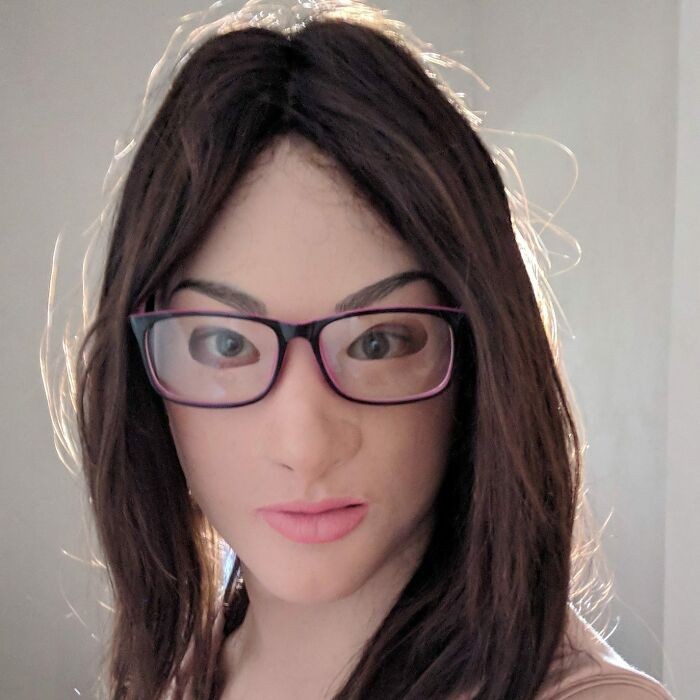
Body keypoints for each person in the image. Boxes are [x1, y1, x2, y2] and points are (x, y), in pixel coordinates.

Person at [47, 1, 676, 698]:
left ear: (480, 358)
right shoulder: (184, 670)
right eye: (225, 343)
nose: (306, 446)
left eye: (378, 342)